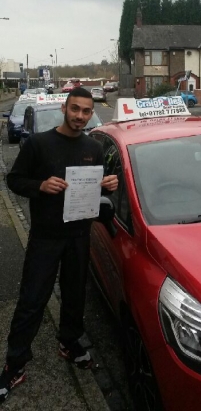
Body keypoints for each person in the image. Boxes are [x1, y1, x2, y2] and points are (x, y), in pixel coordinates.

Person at [0, 87, 118, 404]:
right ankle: (15, 362)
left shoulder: (93, 147)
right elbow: (13, 180)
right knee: (32, 299)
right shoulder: (39, 144)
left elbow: (98, 182)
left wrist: (109, 182)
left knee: (75, 296)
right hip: (46, 236)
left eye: (86, 111)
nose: (80, 116)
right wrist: (40, 185)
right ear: (65, 108)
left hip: (80, 236)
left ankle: (69, 342)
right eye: (75, 109)